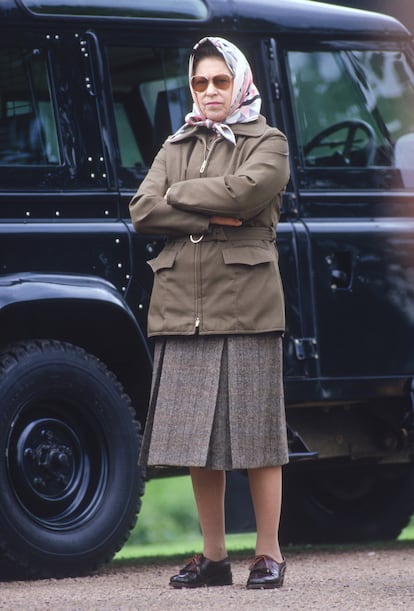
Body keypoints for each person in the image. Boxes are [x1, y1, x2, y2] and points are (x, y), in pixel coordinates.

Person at [129, 36, 290, 590]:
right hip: (181, 308)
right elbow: (143, 209)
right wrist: (205, 210)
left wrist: (181, 197)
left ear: (239, 82)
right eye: (200, 82)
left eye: (220, 81)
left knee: (258, 437)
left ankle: (268, 554)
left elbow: (248, 194)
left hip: (247, 306)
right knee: (199, 443)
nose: (210, 91)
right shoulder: (176, 143)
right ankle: (214, 558)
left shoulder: (268, 141)